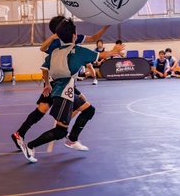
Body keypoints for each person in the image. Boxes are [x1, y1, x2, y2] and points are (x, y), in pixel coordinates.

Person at [18, 18, 121, 163]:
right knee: (60, 131)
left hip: (65, 89)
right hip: (63, 94)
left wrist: (47, 84)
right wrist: (114, 51)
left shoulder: (54, 52)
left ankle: (72, 139)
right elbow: (101, 55)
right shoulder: (78, 51)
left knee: (89, 110)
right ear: (74, 35)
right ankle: (30, 146)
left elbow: (44, 68)